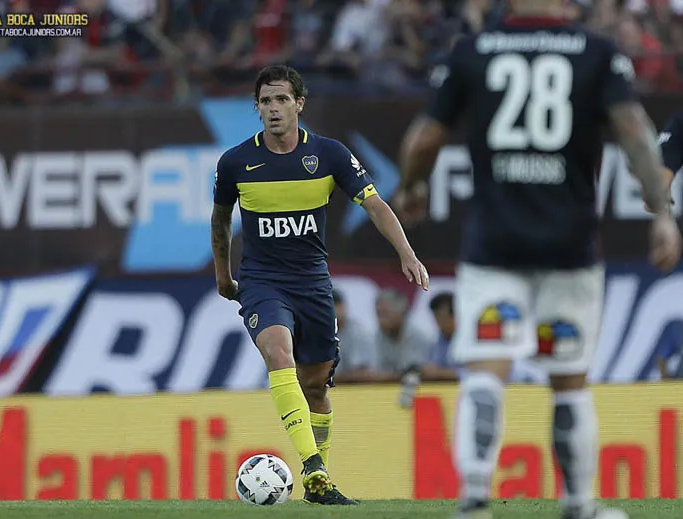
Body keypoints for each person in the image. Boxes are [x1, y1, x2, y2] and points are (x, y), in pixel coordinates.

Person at [393, 0, 682, 516]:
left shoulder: (473, 51)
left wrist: (412, 184)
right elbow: (636, 134)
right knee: (569, 381)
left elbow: (426, 137)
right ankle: (578, 503)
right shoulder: (595, 52)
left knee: (485, 372)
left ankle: (473, 499)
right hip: (568, 246)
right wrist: (661, 213)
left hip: (493, 245)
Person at [211, 64, 429, 506]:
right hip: (262, 281)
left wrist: (406, 252)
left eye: (281, 99)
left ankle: (318, 482)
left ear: (299, 104)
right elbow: (220, 221)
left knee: (315, 387)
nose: (273, 108)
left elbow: (375, 205)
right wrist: (222, 274)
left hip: (312, 283)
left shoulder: (329, 155)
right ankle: (313, 470)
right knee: (278, 354)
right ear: (257, 109)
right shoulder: (235, 162)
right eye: (265, 101)